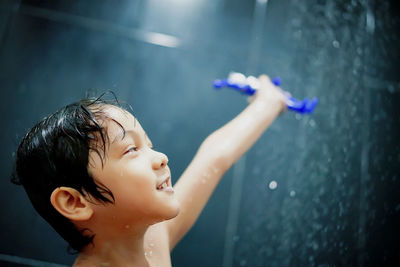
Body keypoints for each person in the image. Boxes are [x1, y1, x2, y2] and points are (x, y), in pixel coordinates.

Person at [12, 75, 287, 266]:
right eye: (131, 150)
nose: (161, 158)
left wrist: (267, 104)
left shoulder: (151, 242)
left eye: (150, 145)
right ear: (74, 201)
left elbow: (214, 159)